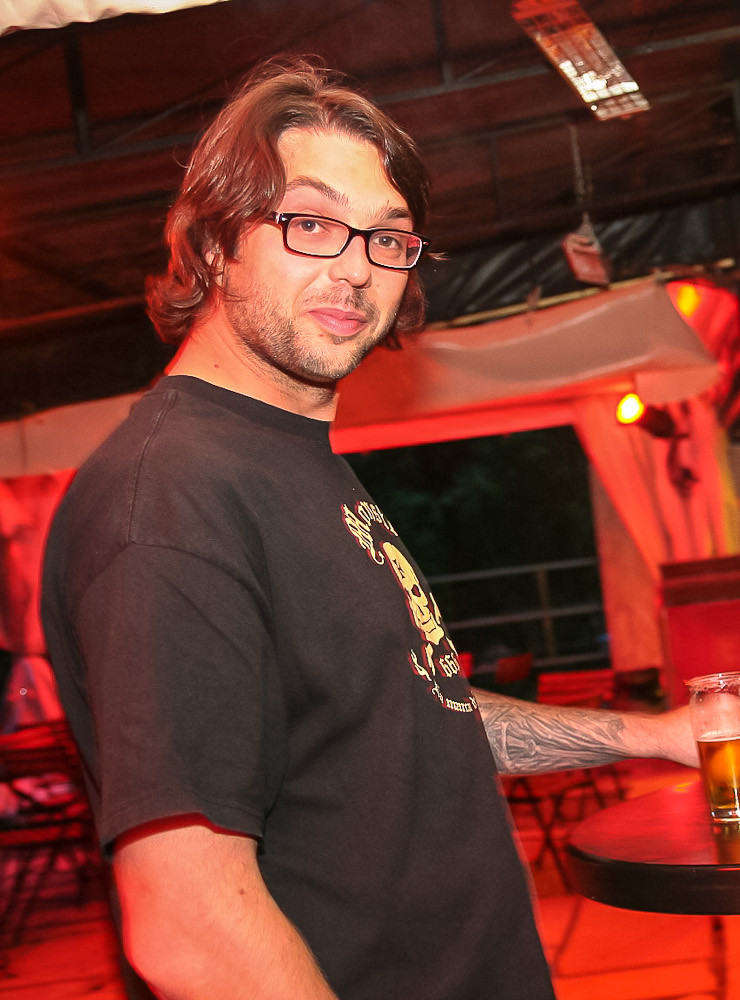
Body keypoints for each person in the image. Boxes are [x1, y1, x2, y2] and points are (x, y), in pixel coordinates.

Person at [40, 58, 695, 1000]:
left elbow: (413, 718)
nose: (354, 267)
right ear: (216, 244)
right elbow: (188, 924)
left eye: (388, 237)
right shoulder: (173, 496)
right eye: (310, 223)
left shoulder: (289, 462)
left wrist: (651, 736)